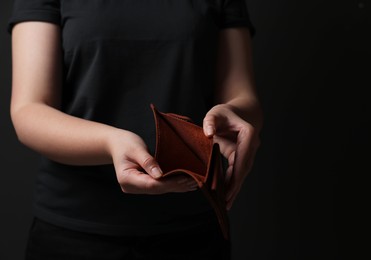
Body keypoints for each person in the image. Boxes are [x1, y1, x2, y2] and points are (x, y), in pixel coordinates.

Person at [8, 0, 262, 259]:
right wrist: (110, 142)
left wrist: (234, 114)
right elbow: (29, 110)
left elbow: (243, 98)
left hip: (193, 231)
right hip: (73, 232)